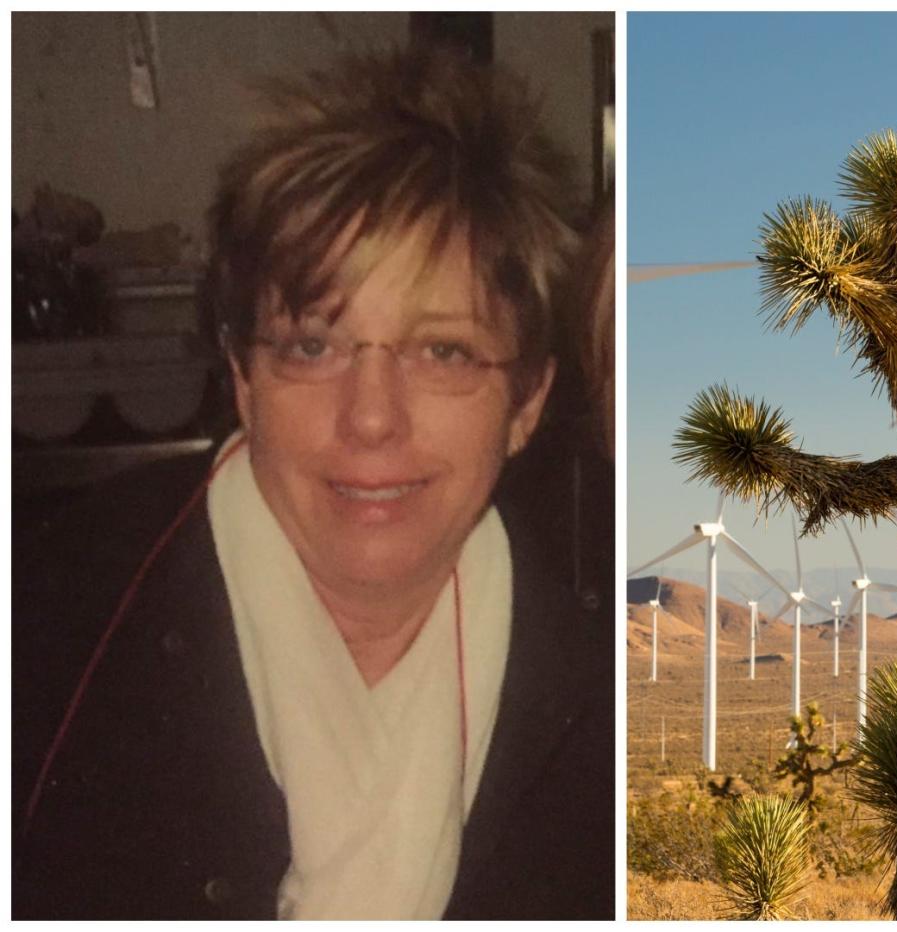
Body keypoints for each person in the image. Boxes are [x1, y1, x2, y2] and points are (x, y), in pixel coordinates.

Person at [12, 47, 614, 920]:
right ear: (245, 381)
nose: (371, 417)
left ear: (527, 402)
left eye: (443, 351)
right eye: (312, 346)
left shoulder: (605, 705)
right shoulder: (48, 621)